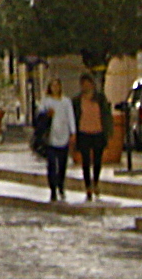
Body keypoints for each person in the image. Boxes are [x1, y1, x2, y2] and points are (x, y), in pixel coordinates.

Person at [72, 73, 113, 202]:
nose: (86, 86)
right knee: (85, 161)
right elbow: (74, 117)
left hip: (98, 132)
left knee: (97, 160)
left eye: (88, 83)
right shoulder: (77, 101)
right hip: (83, 132)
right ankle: (87, 186)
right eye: (83, 84)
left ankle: (95, 182)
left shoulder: (100, 99)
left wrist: (108, 131)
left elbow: (106, 115)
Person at [36, 77, 76, 202]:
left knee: (62, 164)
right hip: (51, 138)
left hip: (63, 136)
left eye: (57, 86)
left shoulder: (66, 102)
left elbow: (70, 116)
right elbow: (39, 115)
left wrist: (73, 132)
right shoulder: (46, 102)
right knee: (52, 164)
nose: (55, 88)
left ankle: (61, 185)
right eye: (52, 86)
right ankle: (53, 189)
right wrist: (47, 115)